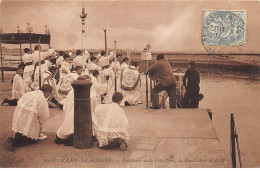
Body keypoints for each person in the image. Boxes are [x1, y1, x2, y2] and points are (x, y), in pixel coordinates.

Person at [6, 84, 53, 152]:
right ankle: (13, 141)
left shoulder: (31, 93)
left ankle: (16, 138)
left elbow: (19, 101)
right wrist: (39, 126)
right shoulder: (42, 98)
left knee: (21, 130)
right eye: (49, 93)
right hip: (26, 117)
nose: (49, 95)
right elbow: (44, 116)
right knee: (33, 140)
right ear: (47, 92)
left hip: (19, 116)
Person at [54, 75, 95, 146]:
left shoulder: (70, 92)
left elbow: (65, 107)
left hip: (69, 120)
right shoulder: (91, 95)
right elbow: (93, 110)